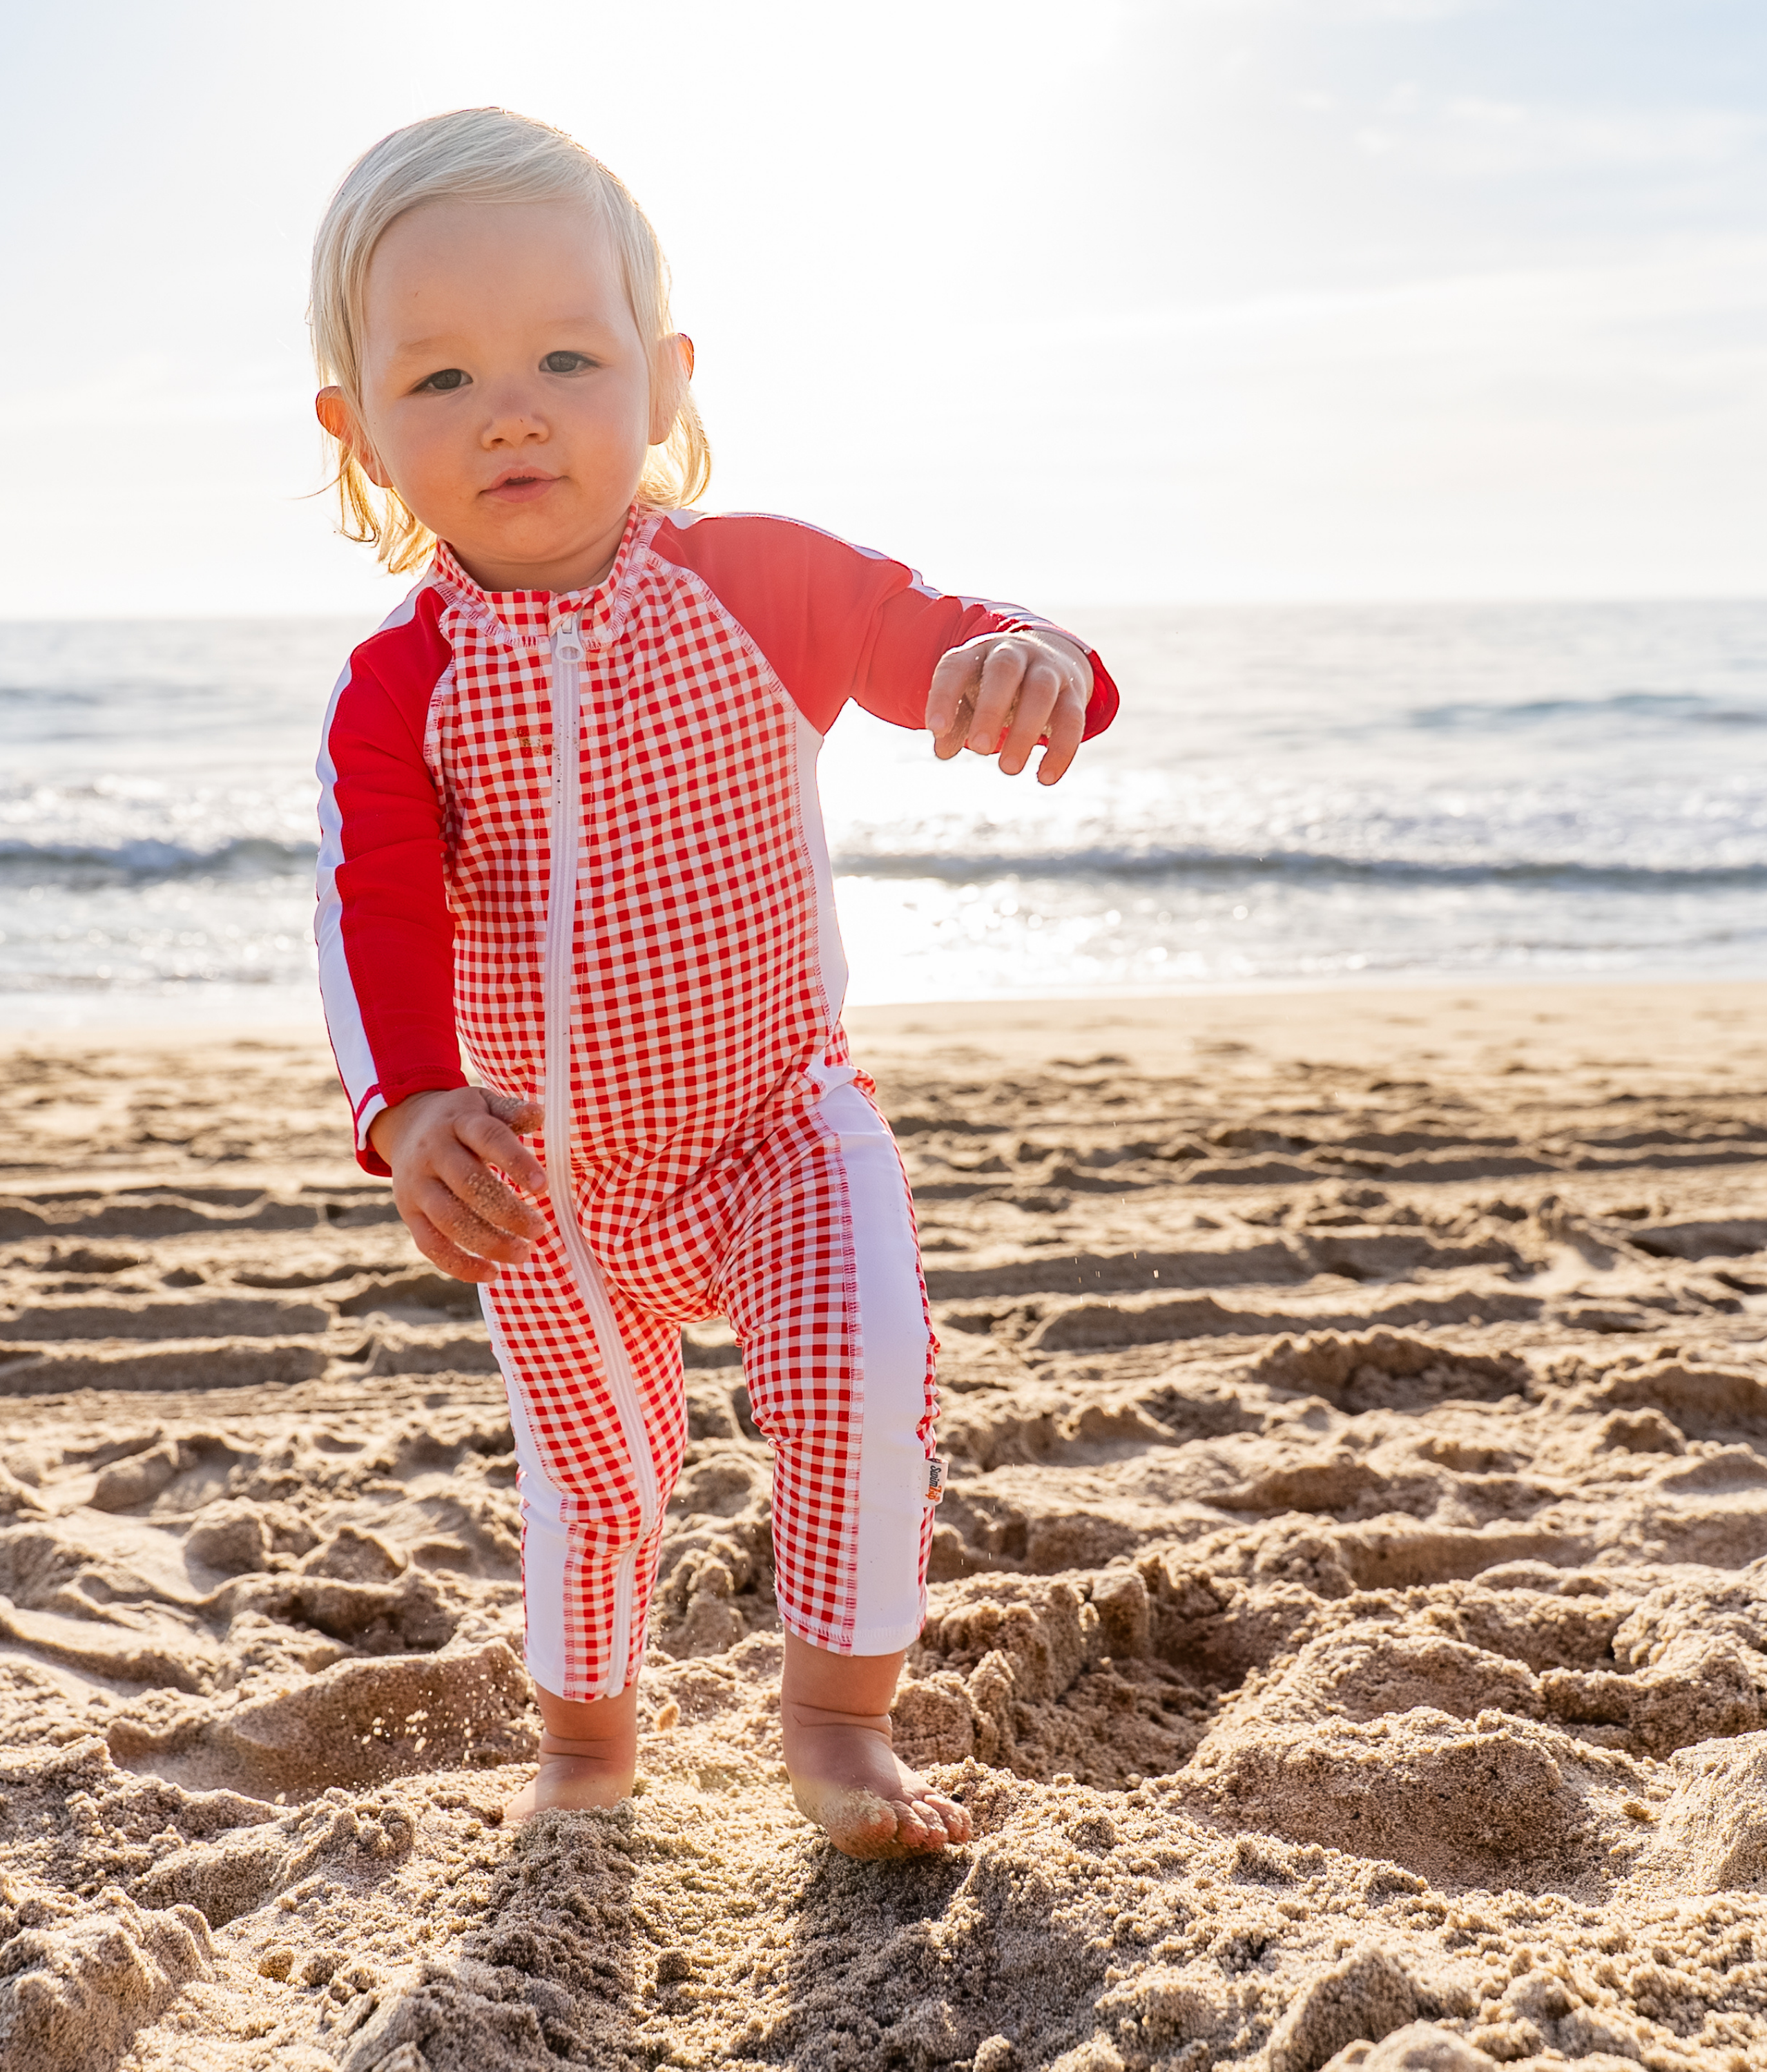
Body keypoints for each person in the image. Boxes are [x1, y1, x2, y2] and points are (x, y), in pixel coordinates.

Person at [309, 107, 1119, 1860]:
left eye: (567, 358)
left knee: (860, 1382)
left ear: (666, 381)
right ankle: (586, 1748)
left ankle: (838, 1725)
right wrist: (414, 1108)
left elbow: (948, 631)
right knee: (593, 1476)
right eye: (439, 379)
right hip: (547, 1175)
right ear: (357, 430)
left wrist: (1029, 661)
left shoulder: (758, 583)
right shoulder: (400, 687)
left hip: (776, 1121)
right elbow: (370, 911)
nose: (512, 411)